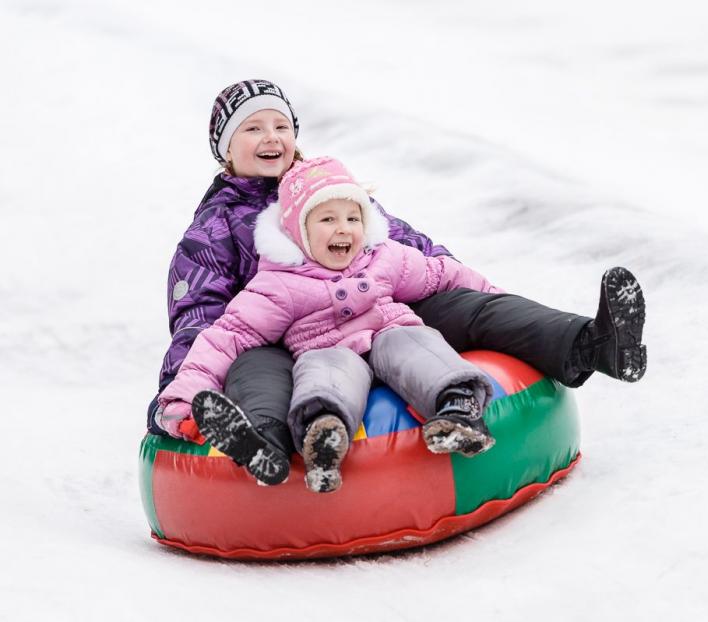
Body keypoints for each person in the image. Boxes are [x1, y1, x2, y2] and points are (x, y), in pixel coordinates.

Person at [148, 79, 647, 481]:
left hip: (378, 310)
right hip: (286, 335)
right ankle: (264, 444)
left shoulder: (327, 187)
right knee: (258, 370)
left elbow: (407, 247)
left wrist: (475, 290)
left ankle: (594, 344)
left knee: (464, 307)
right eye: (253, 129)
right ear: (225, 149)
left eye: (281, 124)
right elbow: (206, 318)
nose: (272, 138)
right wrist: (178, 391)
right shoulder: (213, 227)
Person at [159, 157, 501, 492]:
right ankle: (323, 440)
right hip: (325, 349)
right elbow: (227, 336)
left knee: (414, 345)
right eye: (327, 219)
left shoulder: (382, 255)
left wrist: (497, 297)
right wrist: (182, 394)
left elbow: (442, 273)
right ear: (299, 234)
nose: (343, 228)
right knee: (323, 376)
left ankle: (459, 408)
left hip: (390, 329)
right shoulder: (278, 282)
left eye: (354, 218)